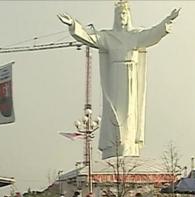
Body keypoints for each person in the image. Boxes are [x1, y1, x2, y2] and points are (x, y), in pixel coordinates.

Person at [58, 1, 181, 159]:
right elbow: (90, 38)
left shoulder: (136, 35)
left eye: (124, 13)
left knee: (130, 112)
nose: (122, 17)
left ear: (128, 15)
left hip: (131, 77)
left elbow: (153, 33)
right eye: (119, 14)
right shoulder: (109, 36)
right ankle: (114, 144)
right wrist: (74, 25)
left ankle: (128, 144)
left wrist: (167, 21)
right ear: (115, 17)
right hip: (115, 77)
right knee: (114, 111)